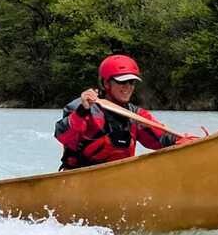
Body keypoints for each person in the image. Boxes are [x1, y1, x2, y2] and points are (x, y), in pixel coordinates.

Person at [55, 54, 197, 170]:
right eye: (122, 82)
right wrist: (82, 112)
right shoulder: (83, 107)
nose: (128, 87)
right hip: (82, 177)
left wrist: (183, 142)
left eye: (131, 82)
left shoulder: (136, 115)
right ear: (106, 83)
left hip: (118, 178)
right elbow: (63, 136)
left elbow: (160, 138)